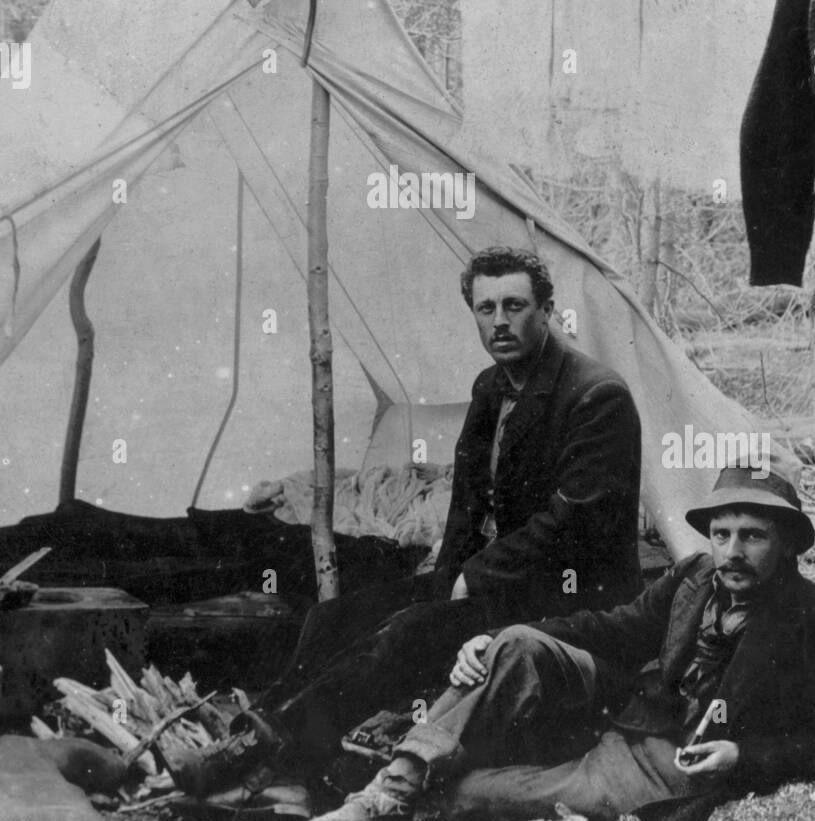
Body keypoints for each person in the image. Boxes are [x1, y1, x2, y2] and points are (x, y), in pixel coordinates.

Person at [299, 463, 815, 821]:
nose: (731, 552)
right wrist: (501, 637)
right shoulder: (696, 576)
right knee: (518, 646)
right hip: (621, 708)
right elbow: (613, 627)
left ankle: (427, 787)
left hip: (669, 755)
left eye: (752, 536)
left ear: (787, 544)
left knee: (477, 793)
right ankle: (389, 790)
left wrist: (744, 755)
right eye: (722, 534)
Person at [235, 245, 643, 783]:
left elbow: (573, 525)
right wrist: (446, 577)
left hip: (566, 598)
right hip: (499, 585)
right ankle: (257, 729)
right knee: (332, 617)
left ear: (547, 310)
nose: (499, 321)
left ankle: (281, 759)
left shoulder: (596, 397)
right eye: (485, 308)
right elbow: (467, 506)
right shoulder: (491, 387)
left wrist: (472, 579)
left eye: (515, 305)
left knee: (407, 634)